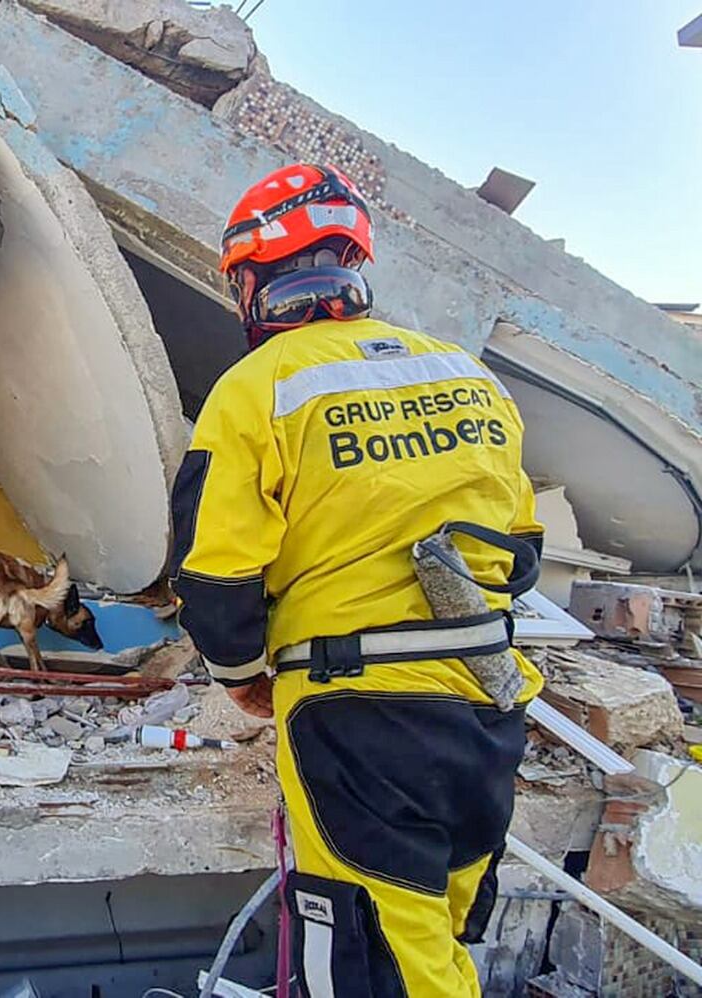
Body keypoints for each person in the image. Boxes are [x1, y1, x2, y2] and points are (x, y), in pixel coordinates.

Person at [169, 163, 544, 997]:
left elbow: (215, 577)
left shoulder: (256, 390)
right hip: (490, 706)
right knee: (435, 946)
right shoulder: (466, 374)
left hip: (358, 718)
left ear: (254, 279)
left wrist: (242, 681)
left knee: (372, 964)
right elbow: (520, 547)